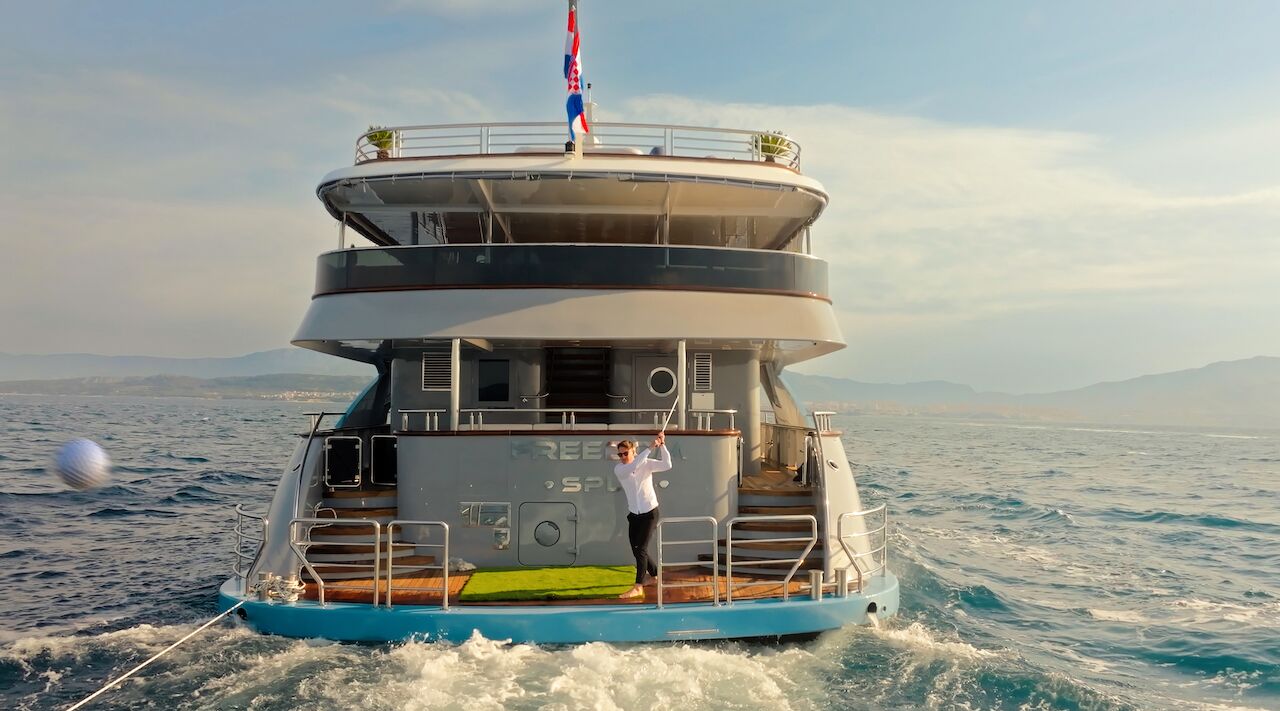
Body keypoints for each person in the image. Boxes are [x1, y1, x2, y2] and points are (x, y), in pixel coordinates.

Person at [612, 433, 672, 599]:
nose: (623, 457)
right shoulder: (620, 469)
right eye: (620, 454)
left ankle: (638, 586)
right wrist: (651, 447)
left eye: (626, 453)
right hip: (634, 515)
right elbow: (633, 467)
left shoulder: (646, 463)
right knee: (636, 549)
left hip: (650, 513)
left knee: (641, 549)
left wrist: (662, 446)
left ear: (633, 451)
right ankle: (655, 576)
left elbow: (667, 464)